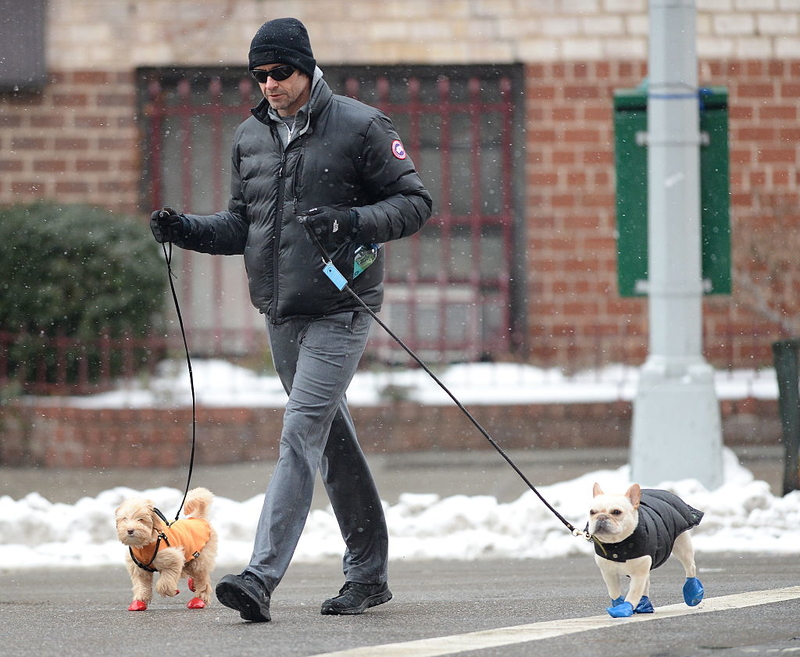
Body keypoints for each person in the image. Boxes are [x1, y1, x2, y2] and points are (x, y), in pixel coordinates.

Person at [150, 17, 432, 623]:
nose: (270, 84)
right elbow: (242, 226)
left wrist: (352, 222)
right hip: (282, 313)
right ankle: (369, 575)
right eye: (260, 74)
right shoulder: (250, 137)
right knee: (331, 441)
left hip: (342, 307)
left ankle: (260, 576)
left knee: (299, 433)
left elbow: (414, 203)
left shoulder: (360, 125)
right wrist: (188, 230)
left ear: (307, 68)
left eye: (281, 72)